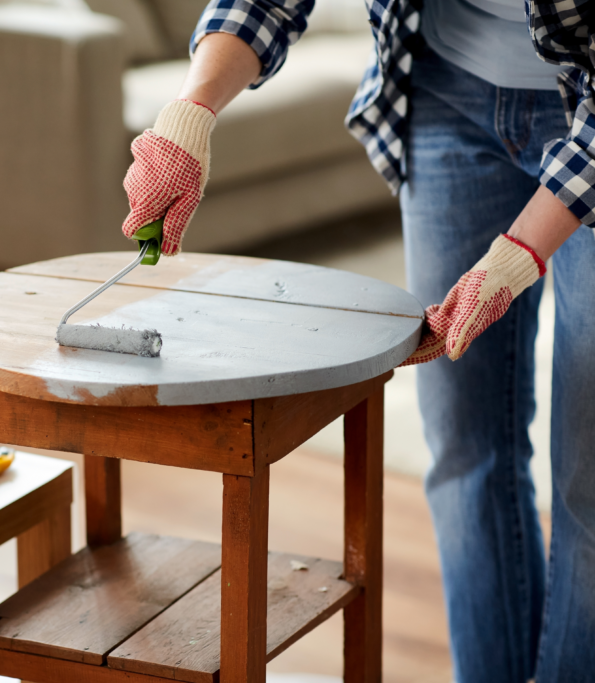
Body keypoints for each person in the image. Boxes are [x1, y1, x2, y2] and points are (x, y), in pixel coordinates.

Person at [121, 1, 595, 680]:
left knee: (589, 479)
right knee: (464, 444)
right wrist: (191, 112)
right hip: (445, 87)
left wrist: (522, 249)